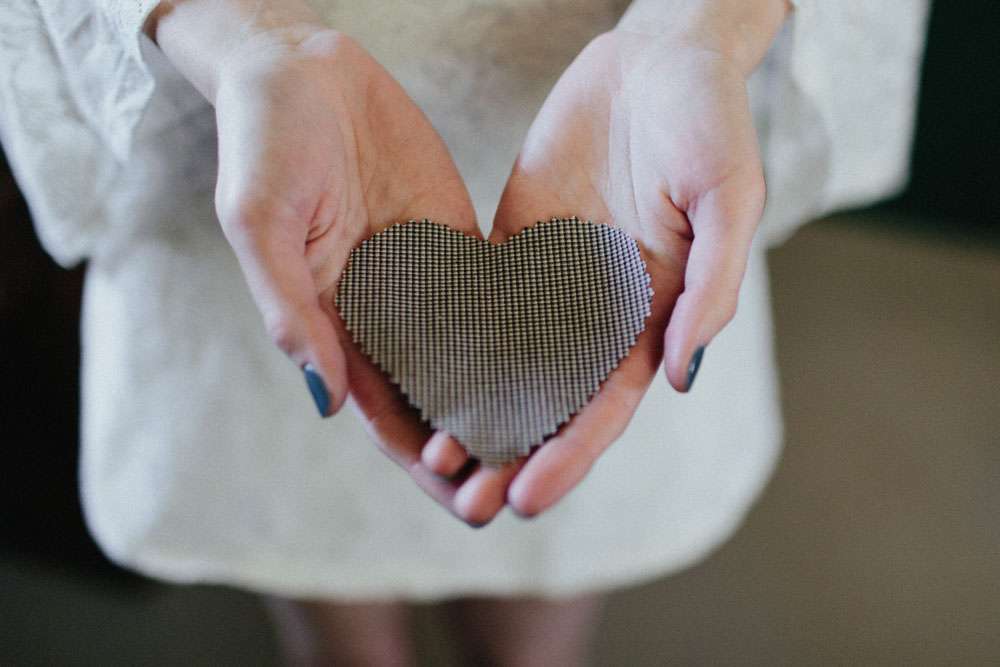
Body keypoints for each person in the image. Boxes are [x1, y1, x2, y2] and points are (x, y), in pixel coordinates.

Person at [0, 0, 928, 664]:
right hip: (265, 145)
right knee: (322, 569)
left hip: (630, 173)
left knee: (545, 586)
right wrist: (244, 41)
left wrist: (703, 27)